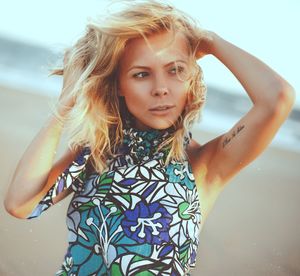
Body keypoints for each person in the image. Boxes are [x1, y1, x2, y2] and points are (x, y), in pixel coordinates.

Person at [4, 0, 296, 275]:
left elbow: (277, 99)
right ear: (118, 84)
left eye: (175, 70)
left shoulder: (204, 165)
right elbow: (21, 203)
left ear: (190, 78)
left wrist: (208, 40)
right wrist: (66, 102)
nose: (161, 89)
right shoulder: (97, 152)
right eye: (141, 74)